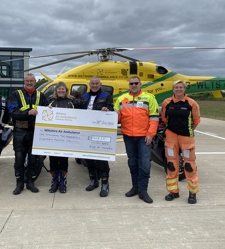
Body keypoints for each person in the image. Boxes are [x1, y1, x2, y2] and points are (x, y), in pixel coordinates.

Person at [114, 76, 159, 204]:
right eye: (131, 83)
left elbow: (154, 118)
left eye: (136, 83)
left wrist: (150, 134)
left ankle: (143, 191)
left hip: (144, 137)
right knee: (132, 163)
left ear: (140, 84)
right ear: (129, 85)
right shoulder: (122, 99)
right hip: (128, 136)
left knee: (145, 164)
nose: (133, 85)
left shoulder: (149, 98)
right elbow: (116, 117)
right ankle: (135, 187)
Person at [7, 73, 48, 195]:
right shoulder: (15, 95)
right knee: (19, 159)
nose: (29, 83)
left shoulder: (41, 95)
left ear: (35, 82)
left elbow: (46, 111)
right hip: (20, 131)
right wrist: (28, 113)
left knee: (33, 160)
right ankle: (19, 184)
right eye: (27, 81)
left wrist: (51, 111)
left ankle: (30, 182)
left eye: (32, 81)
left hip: (36, 132)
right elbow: (12, 112)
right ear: (24, 82)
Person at [161, 80, 200, 204]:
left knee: (189, 166)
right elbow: (164, 119)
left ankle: (192, 193)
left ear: (184, 89)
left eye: (180, 87)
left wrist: (187, 130)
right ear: (173, 89)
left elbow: (196, 121)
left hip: (186, 137)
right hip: (171, 136)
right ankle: (173, 191)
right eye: (176, 87)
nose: (178, 89)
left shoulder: (192, 103)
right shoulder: (167, 102)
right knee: (171, 165)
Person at [80, 76, 113, 197]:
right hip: (86, 131)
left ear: (100, 84)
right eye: (92, 83)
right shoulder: (84, 97)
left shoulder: (106, 96)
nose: (94, 85)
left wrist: (107, 109)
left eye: (96, 83)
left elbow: (112, 110)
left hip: (100, 132)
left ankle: (105, 182)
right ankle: (93, 180)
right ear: (89, 84)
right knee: (88, 157)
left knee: (101, 158)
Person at [47, 81, 77, 193]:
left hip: (66, 135)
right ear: (56, 90)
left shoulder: (72, 101)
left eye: (63, 89)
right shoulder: (50, 100)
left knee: (64, 159)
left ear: (66, 90)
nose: (61, 91)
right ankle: (54, 181)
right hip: (53, 135)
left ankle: (63, 181)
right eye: (59, 89)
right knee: (53, 159)